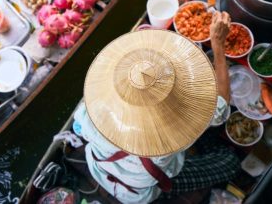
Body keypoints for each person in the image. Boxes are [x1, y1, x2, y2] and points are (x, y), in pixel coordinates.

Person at [74, 11, 240, 204]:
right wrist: (218, 45)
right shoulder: (170, 137)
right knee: (230, 162)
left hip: (100, 168)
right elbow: (220, 110)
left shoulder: (90, 107)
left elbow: (80, 126)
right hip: (141, 192)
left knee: (204, 133)